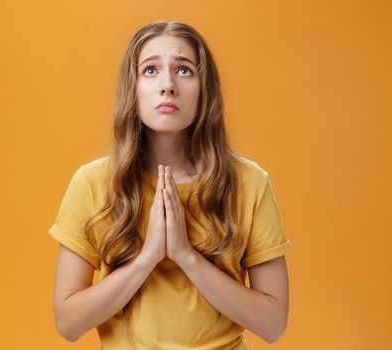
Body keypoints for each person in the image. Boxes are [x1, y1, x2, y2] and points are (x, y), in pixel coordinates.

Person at [48, 21, 292, 349]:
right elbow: (68, 323)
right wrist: (148, 256)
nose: (167, 85)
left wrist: (185, 255)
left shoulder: (250, 183)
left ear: (205, 88)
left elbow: (273, 325)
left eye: (184, 70)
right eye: (150, 70)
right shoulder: (92, 183)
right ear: (131, 88)